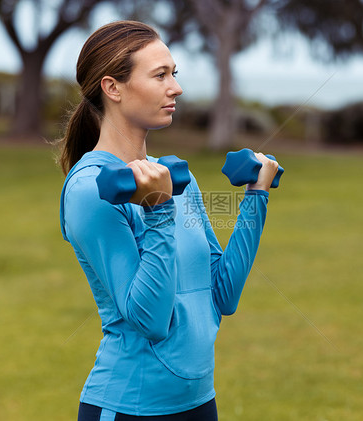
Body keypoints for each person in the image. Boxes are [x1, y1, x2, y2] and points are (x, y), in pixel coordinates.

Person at [58, 20, 280, 421]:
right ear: (113, 88)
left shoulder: (178, 177)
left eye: (174, 73)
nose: (175, 87)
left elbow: (223, 295)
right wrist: (160, 212)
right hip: (129, 407)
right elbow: (150, 319)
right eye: (160, 75)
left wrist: (255, 198)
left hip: (198, 403)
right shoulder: (91, 189)